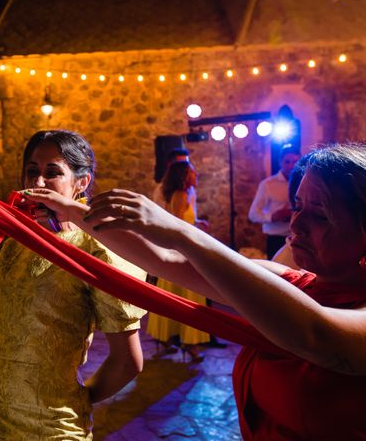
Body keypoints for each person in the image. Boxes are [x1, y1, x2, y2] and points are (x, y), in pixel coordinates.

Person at [27, 142, 366, 439]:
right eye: (297, 207)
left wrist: (179, 231)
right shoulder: (296, 283)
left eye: (320, 216)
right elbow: (166, 259)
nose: (296, 224)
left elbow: (316, 335)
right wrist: (69, 209)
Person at [0, 130, 146, 440]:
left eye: (52, 173)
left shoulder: (94, 251)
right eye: (32, 171)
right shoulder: (8, 245)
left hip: (57, 430)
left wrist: (75, 400)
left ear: (81, 183)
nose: (37, 183)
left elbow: (128, 360)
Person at [146, 161, 209, 362]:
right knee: (189, 295)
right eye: (192, 172)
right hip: (184, 251)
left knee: (177, 294)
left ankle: (171, 340)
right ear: (184, 175)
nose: (195, 175)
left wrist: (197, 223)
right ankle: (188, 344)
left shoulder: (184, 193)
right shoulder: (181, 195)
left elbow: (183, 221)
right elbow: (178, 224)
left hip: (184, 248)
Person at [248, 145, 301, 258]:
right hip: (276, 238)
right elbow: (253, 214)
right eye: (287, 162)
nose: (291, 166)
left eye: (295, 162)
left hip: (298, 237)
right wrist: (272, 217)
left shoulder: (303, 183)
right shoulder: (268, 184)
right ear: (280, 162)